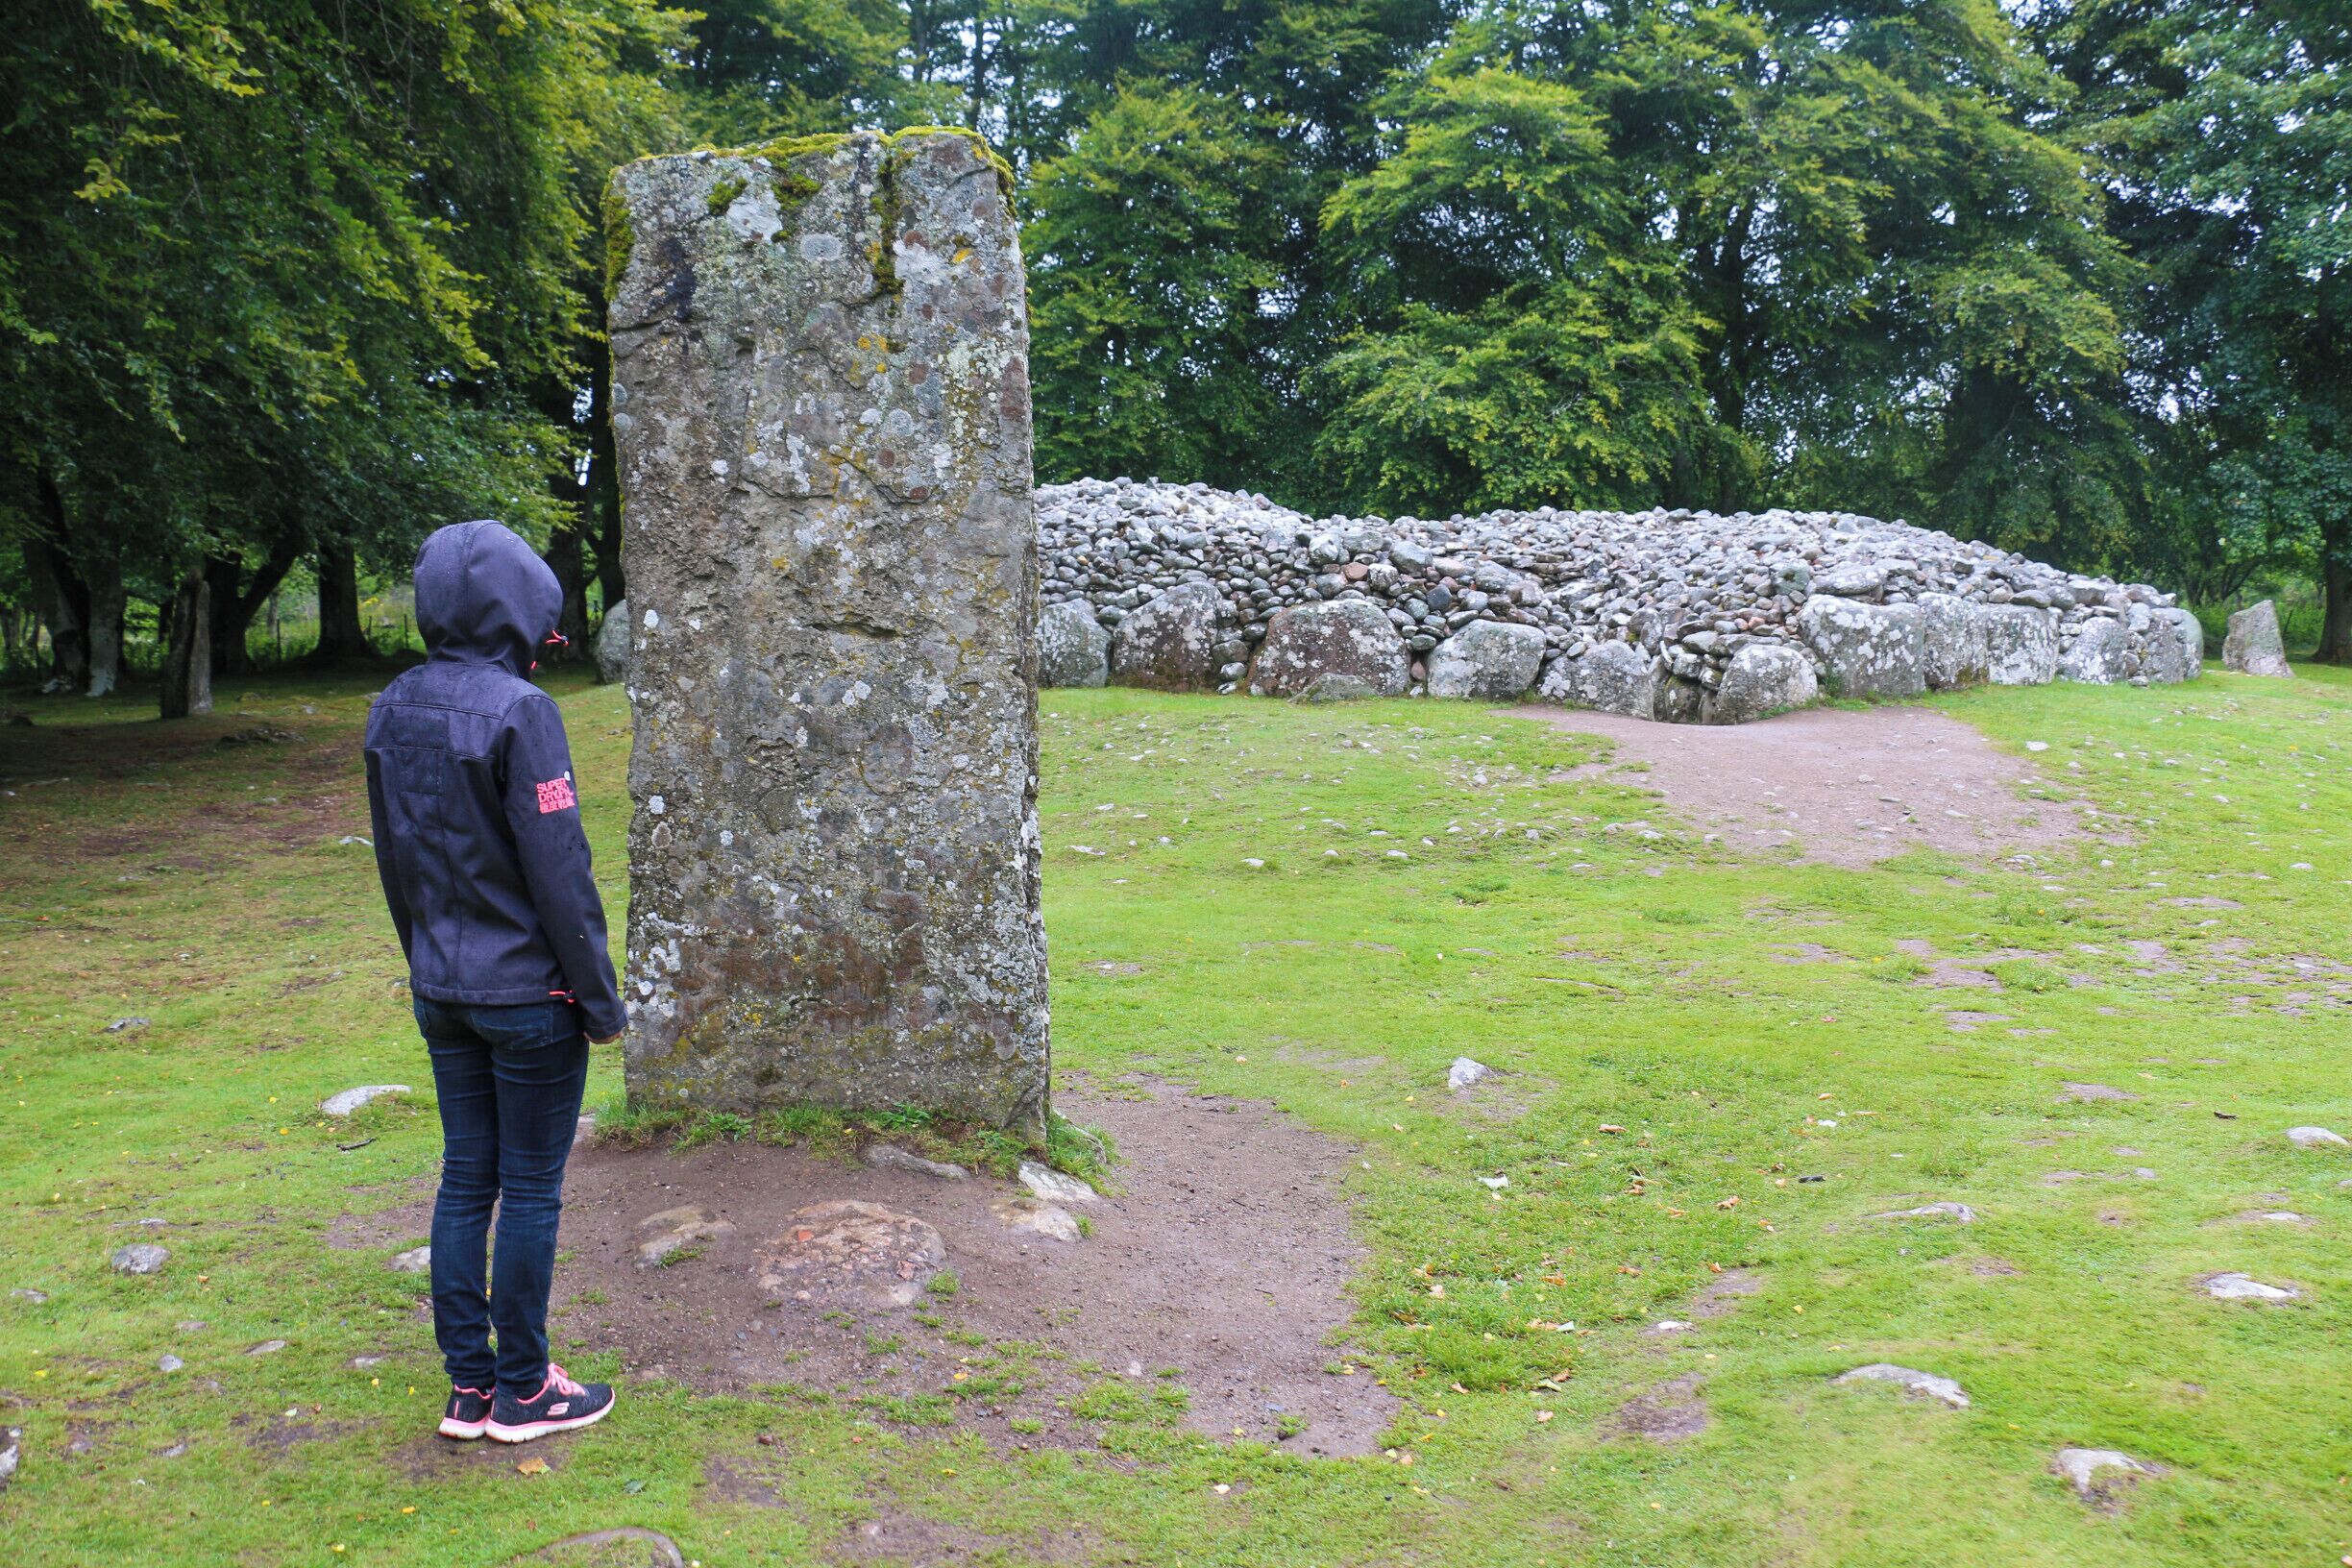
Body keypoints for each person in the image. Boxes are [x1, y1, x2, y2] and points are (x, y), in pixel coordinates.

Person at [363, 520, 625, 1444]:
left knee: (463, 1180)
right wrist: (598, 998)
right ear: (521, 607)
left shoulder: (393, 705)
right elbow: (561, 870)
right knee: (531, 1187)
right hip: (527, 1000)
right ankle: (524, 1387)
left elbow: (397, 865)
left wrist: (425, 961)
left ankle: (468, 1388)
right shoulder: (522, 713)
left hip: (442, 988)